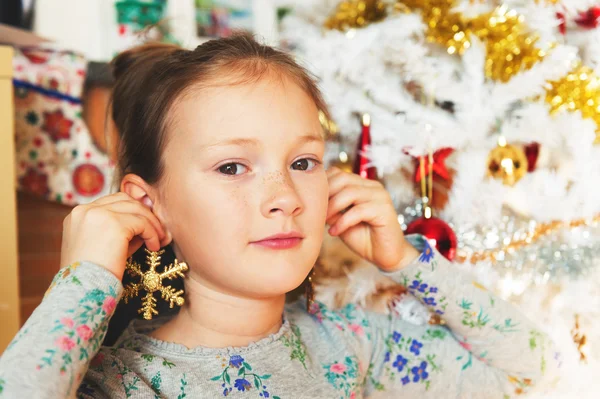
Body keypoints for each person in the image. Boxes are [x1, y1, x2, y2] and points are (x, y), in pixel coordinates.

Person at [0, 33, 559, 398]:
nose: (285, 196)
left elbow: (524, 367)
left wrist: (407, 260)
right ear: (150, 205)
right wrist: (87, 280)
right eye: (232, 167)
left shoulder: (347, 350)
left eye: (302, 161)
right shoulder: (124, 385)